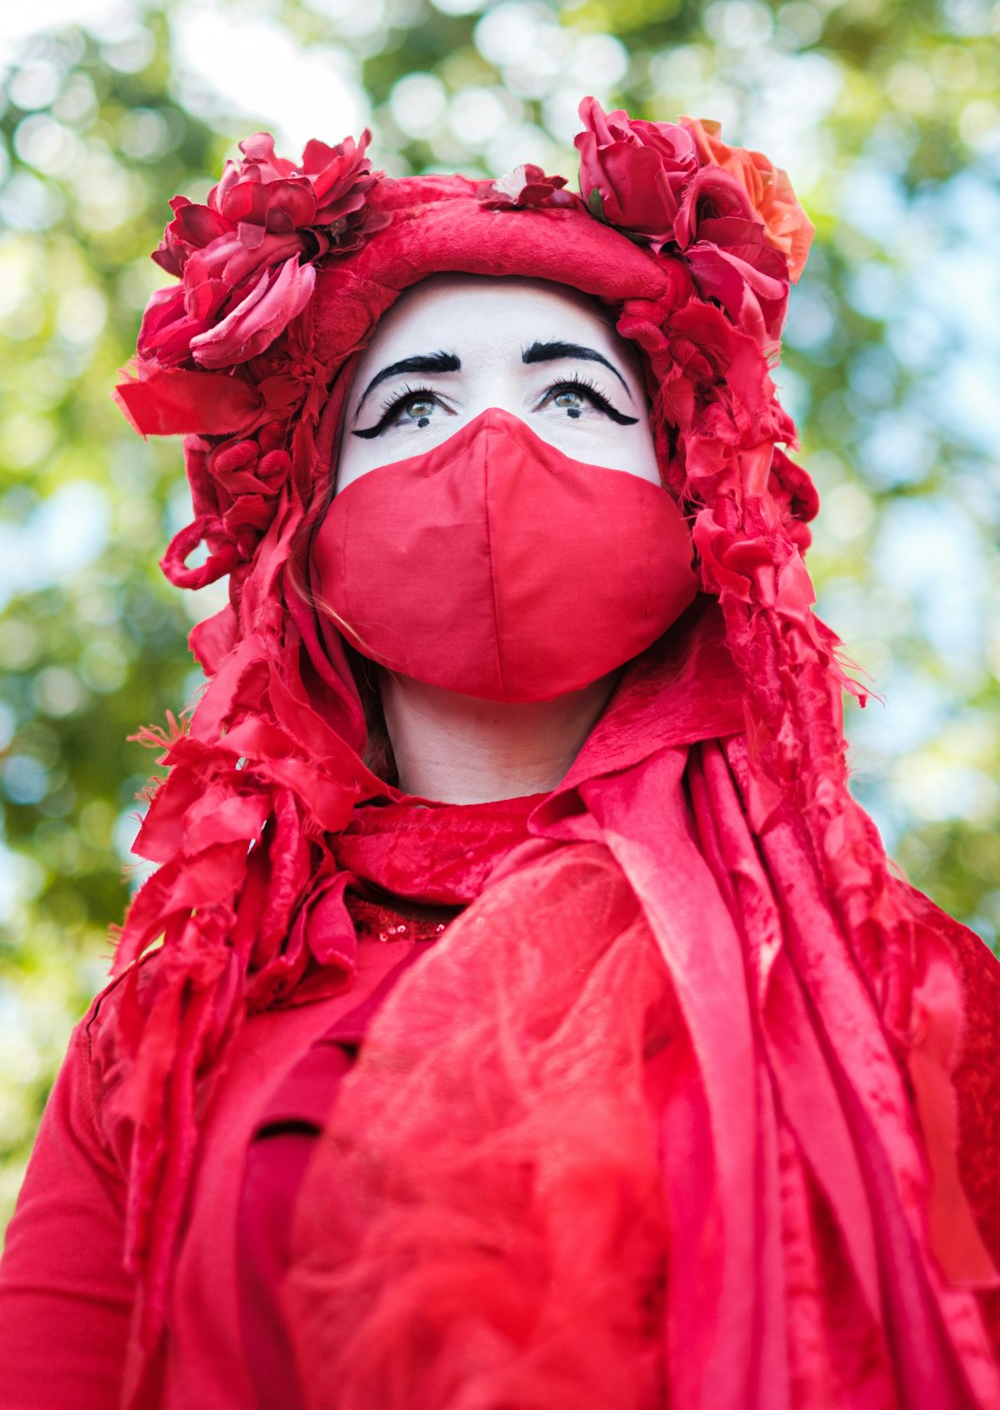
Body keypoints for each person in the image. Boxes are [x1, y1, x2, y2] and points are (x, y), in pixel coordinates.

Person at [0, 98, 998, 1410]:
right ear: (310, 531)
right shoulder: (158, 1042)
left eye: (572, 392)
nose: (492, 443)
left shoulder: (905, 998)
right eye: (411, 404)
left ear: (693, 504)